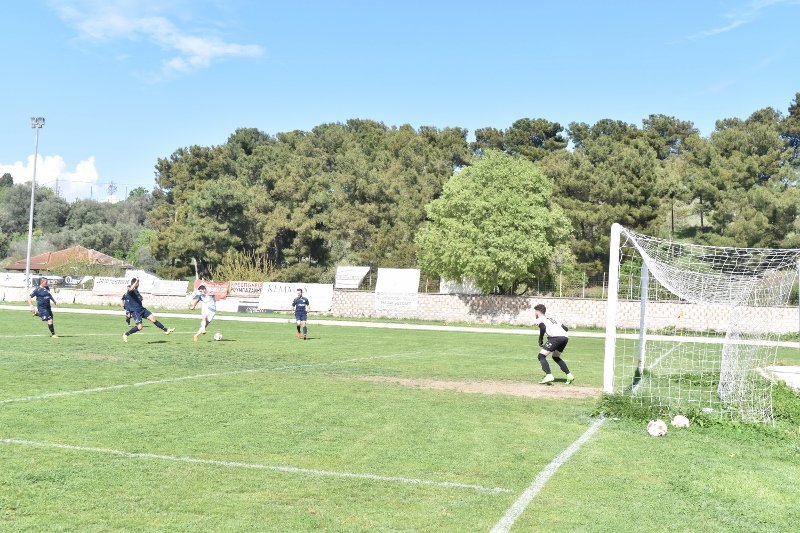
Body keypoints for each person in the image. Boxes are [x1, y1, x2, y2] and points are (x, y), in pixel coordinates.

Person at [122, 277, 175, 342]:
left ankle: (166, 330)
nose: (139, 284)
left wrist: (140, 298)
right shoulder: (130, 290)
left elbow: (139, 299)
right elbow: (130, 289)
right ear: (135, 283)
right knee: (140, 327)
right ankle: (126, 334)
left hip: (142, 309)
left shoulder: (136, 291)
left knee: (153, 318)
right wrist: (136, 281)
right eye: (138, 283)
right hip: (136, 311)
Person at [533, 303, 574, 384]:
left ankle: (549, 375)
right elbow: (566, 328)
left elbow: (543, 327)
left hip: (556, 338)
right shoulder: (552, 319)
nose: (535, 313)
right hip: (565, 338)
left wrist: (540, 339)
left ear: (538, 311)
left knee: (541, 356)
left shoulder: (540, 319)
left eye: (535, 311)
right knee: (556, 357)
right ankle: (569, 375)